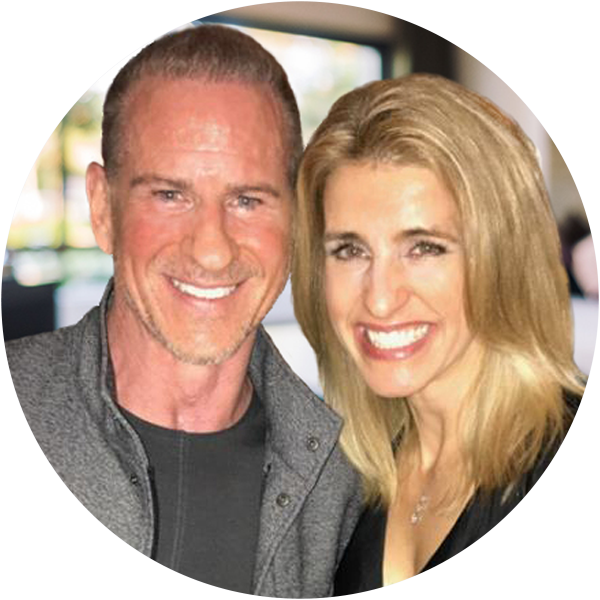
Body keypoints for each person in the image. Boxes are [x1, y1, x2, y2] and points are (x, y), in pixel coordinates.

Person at [6, 25, 361, 597]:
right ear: (103, 209)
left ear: (295, 221)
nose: (212, 250)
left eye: (247, 200)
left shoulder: (343, 482)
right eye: (170, 195)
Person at [291, 73, 585, 593]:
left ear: (502, 257)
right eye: (350, 250)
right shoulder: (345, 477)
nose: (380, 299)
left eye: (424, 247)